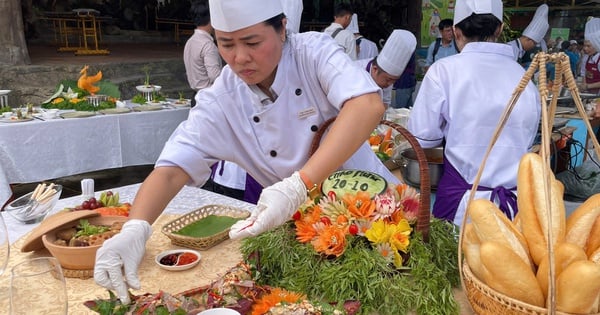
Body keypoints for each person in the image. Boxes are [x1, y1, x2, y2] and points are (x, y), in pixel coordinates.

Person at [94, 0, 397, 304]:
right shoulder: (223, 97)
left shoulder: (313, 53)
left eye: (252, 42)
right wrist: (136, 227)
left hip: (376, 216)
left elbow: (367, 105)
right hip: (300, 233)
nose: (240, 58)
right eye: (226, 44)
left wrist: (299, 184)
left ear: (281, 29)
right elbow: (173, 169)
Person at [407, 0, 541, 227]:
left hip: (461, 206)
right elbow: (528, 142)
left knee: (453, 261)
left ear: (457, 32)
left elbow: (421, 138)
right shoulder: (525, 78)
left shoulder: (443, 70)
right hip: (515, 210)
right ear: (499, 29)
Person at [183, 0, 257, 203]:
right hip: (212, 98)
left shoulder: (191, 41)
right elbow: (217, 75)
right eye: (227, 44)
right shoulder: (207, 45)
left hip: (197, 94)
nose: (240, 57)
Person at [355, 30, 416, 108]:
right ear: (375, 69)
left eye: (394, 81)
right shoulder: (355, 71)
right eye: (388, 80)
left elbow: (385, 102)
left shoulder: (387, 79)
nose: (389, 85)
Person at [580, 18, 600, 95]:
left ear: (597, 45)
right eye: (584, 45)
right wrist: (583, 86)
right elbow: (583, 73)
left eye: (588, 46)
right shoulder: (586, 58)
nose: (585, 48)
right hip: (589, 94)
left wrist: (588, 86)